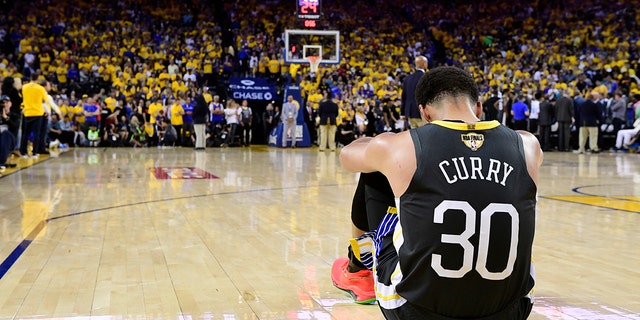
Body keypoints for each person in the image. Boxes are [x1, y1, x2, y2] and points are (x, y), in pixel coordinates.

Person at [337, 66, 542, 319]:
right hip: (512, 310)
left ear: (424, 113)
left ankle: (358, 269)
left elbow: (346, 156)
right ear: (479, 107)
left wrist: (382, 141)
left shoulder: (399, 146)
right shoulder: (528, 144)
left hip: (415, 310)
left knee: (374, 171)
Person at [20, 73, 48, 157]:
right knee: (37, 133)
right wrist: (47, 111)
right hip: (38, 112)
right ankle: (35, 152)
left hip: (27, 112)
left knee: (25, 133)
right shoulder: (41, 88)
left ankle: (23, 152)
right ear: (38, 79)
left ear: (30, 78)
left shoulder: (24, 87)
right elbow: (44, 101)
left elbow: (24, 98)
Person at [401, 55, 428, 129]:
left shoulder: (408, 78)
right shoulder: (426, 77)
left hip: (409, 112)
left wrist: (403, 113)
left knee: (414, 137)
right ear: (424, 64)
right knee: (424, 137)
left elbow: (404, 97)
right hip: (421, 113)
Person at [0, 95, 17, 168]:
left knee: (5, 134)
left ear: (10, 104)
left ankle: (1, 162)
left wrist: (6, 117)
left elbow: (15, 127)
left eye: (6, 103)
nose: (5, 105)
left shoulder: (15, 115)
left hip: (10, 140)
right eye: (3, 103)